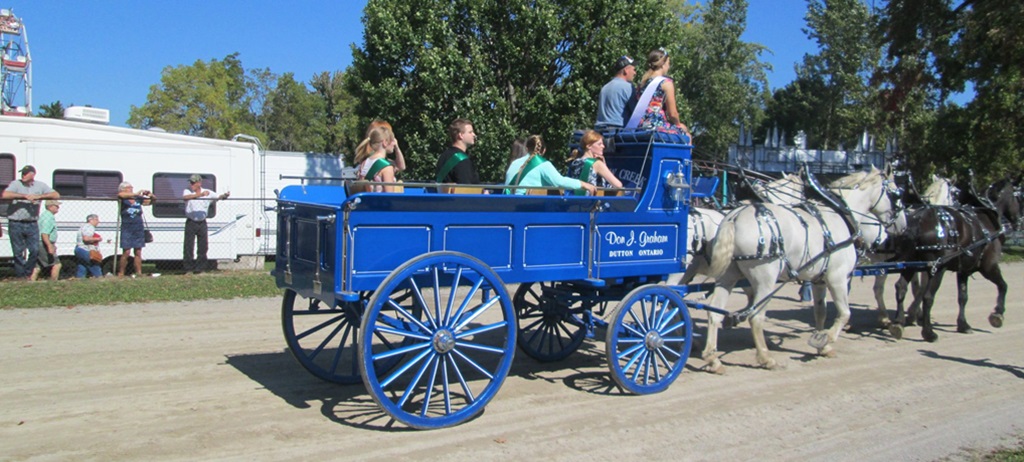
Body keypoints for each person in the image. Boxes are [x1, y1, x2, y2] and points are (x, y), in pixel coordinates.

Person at [2, 165, 60, 279]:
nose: (23, 175)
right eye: (22, 173)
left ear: (32, 174)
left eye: (26, 173)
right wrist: (24, 196)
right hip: (16, 222)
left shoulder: (40, 185)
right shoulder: (16, 184)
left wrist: (39, 196)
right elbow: (5, 194)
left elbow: (56, 194)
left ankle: (27, 272)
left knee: (34, 250)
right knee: (18, 252)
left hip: (32, 223)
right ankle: (21, 276)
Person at [626, 48, 692, 138]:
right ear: (662, 64)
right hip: (655, 126)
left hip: (639, 126)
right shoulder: (666, 83)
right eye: (668, 63)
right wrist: (678, 125)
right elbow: (673, 114)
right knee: (686, 134)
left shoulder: (642, 83)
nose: (668, 67)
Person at [505, 135, 596, 196]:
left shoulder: (514, 163)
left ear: (526, 148)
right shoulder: (543, 164)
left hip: (510, 205)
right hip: (529, 207)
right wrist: (584, 184)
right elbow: (560, 182)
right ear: (544, 150)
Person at [182, 174, 228, 274]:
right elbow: (185, 198)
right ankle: (188, 268)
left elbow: (218, 197)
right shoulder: (187, 191)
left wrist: (224, 196)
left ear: (199, 183)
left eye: (194, 182)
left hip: (202, 222)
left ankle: (200, 268)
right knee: (188, 246)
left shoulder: (208, 192)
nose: (192, 184)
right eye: (191, 182)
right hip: (191, 221)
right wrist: (200, 195)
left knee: (203, 246)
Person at [566, 130, 623, 196]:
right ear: (589, 146)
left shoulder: (575, 162)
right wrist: (604, 166)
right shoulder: (597, 164)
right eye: (599, 144)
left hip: (575, 202)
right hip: (592, 203)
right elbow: (618, 185)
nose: (603, 146)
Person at [116, 181, 155, 277]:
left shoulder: (137, 199)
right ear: (124, 189)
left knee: (138, 251)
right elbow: (120, 195)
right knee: (126, 252)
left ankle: (139, 272)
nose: (131, 189)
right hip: (127, 228)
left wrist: (151, 195)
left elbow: (151, 202)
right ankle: (121, 272)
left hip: (138, 227)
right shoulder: (122, 198)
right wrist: (137, 193)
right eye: (129, 187)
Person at [595, 55, 637, 130]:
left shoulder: (605, 87)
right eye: (634, 69)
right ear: (626, 70)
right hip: (618, 133)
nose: (635, 73)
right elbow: (636, 113)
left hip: (600, 131)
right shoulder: (628, 87)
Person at [436, 118, 481, 187]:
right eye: (470, 132)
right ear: (461, 135)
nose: (474, 135)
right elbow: (466, 190)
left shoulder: (444, 156)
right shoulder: (461, 160)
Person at [353, 126, 399, 193]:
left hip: (367, 202)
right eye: (392, 140)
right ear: (385, 142)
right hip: (380, 203)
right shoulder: (387, 167)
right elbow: (390, 197)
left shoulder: (364, 163)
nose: (394, 144)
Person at [30, 199, 62, 281]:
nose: (58, 207)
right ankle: (53, 282)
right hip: (44, 243)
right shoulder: (48, 218)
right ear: (50, 207)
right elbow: (44, 233)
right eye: (56, 206)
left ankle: (31, 281)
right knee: (57, 264)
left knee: (38, 265)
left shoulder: (44, 216)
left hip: (40, 242)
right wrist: (49, 245)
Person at [74, 214, 104, 278]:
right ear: (91, 220)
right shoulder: (89, 227)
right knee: (94, 264)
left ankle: (79, 280)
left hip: (78, 249)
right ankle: (100, 279)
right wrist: (98, 239)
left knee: (82, 266)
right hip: (84, 249)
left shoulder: (84, 226)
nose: (98, 222)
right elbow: (86, 239)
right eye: (96, 219)